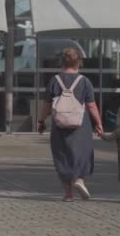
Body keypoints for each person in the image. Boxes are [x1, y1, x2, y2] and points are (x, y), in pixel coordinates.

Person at [37, 48, 103, 202]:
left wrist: (41, 121)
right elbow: (92, 106)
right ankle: (80, 180)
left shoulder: (54, 80)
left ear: (62, 62)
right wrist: (98, 123)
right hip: (81, 126)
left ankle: (68, 194)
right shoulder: (85, 81)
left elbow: (47, 105)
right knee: (83, 153)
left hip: (59, 125)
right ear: (78, 62)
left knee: (62, 155)